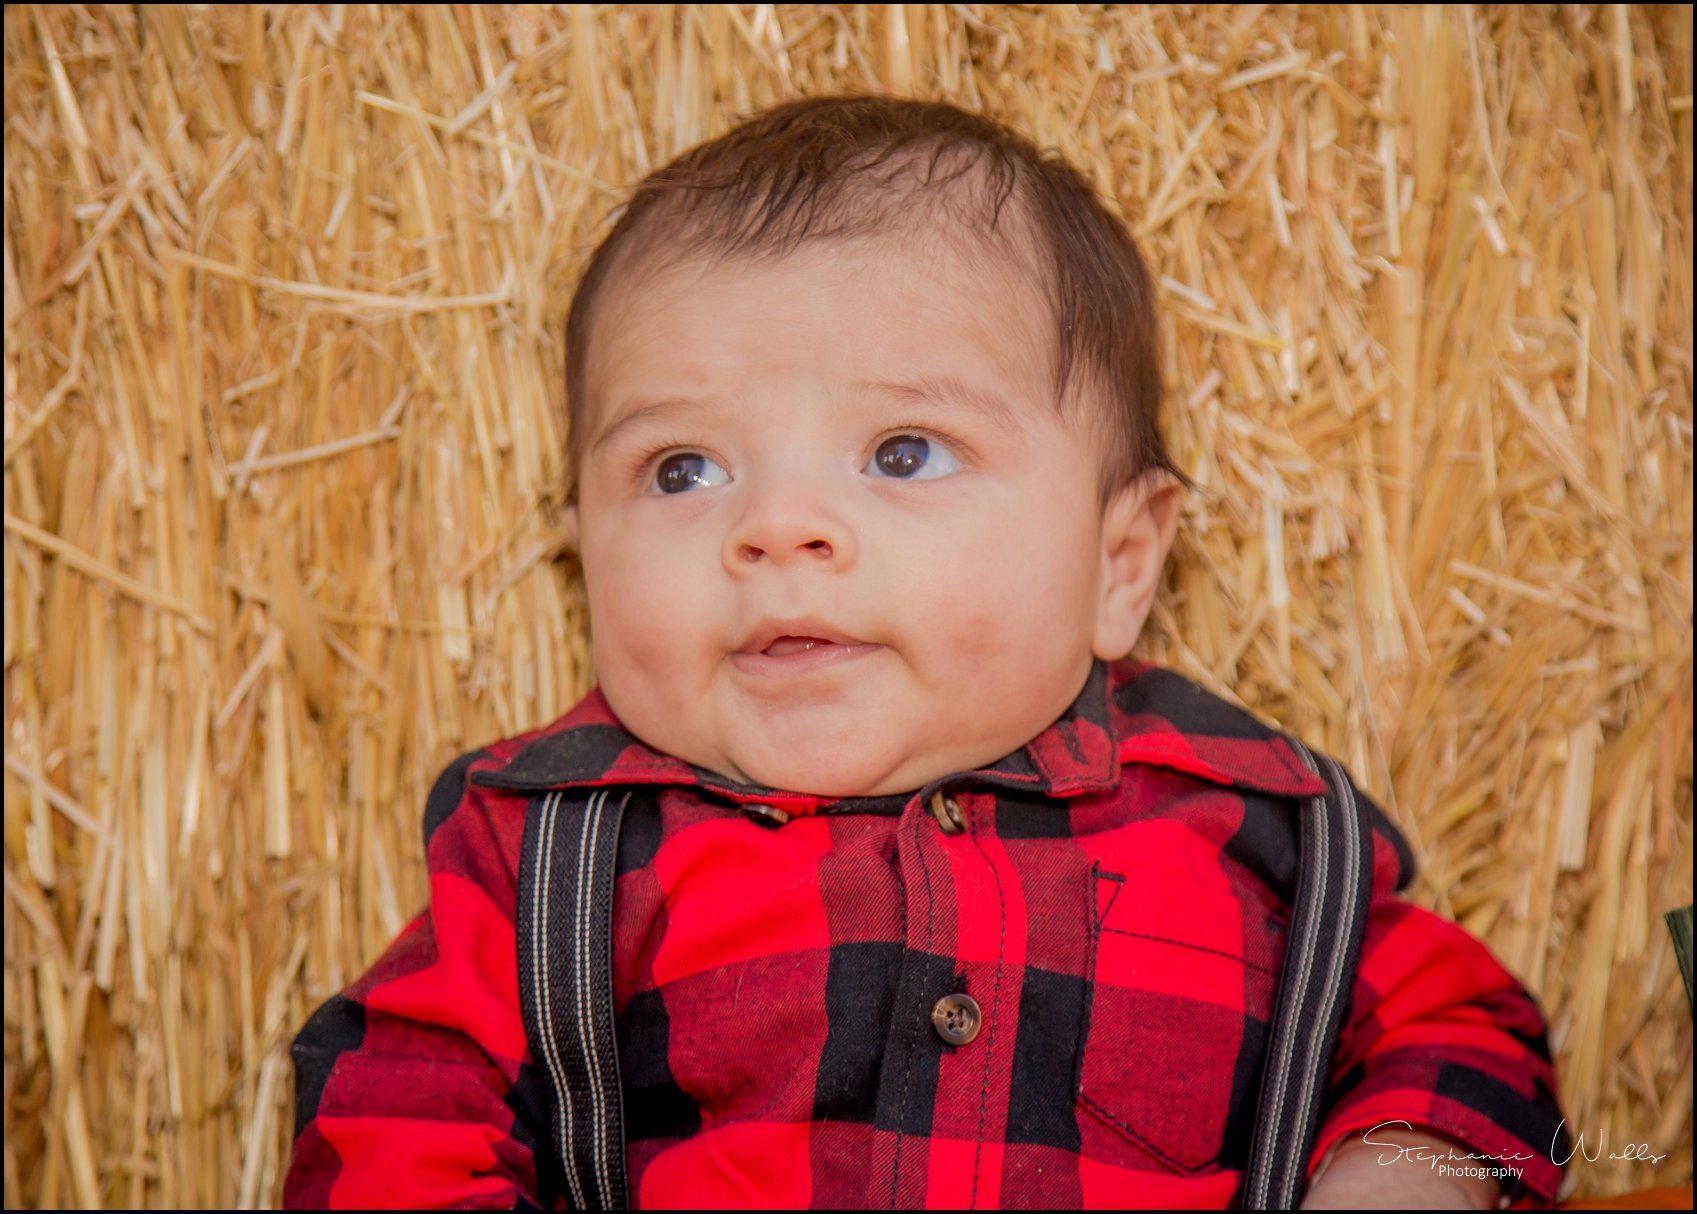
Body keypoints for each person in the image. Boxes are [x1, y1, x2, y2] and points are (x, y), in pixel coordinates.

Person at [284, 96, 1567, 1209]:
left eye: (903, 451)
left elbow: (1458, 1028)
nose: (776, 525)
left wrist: (1399, 1165)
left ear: (1119, 565)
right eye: (682, 468)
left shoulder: (1254, 831)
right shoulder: (553, 855)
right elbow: (387, 1115)